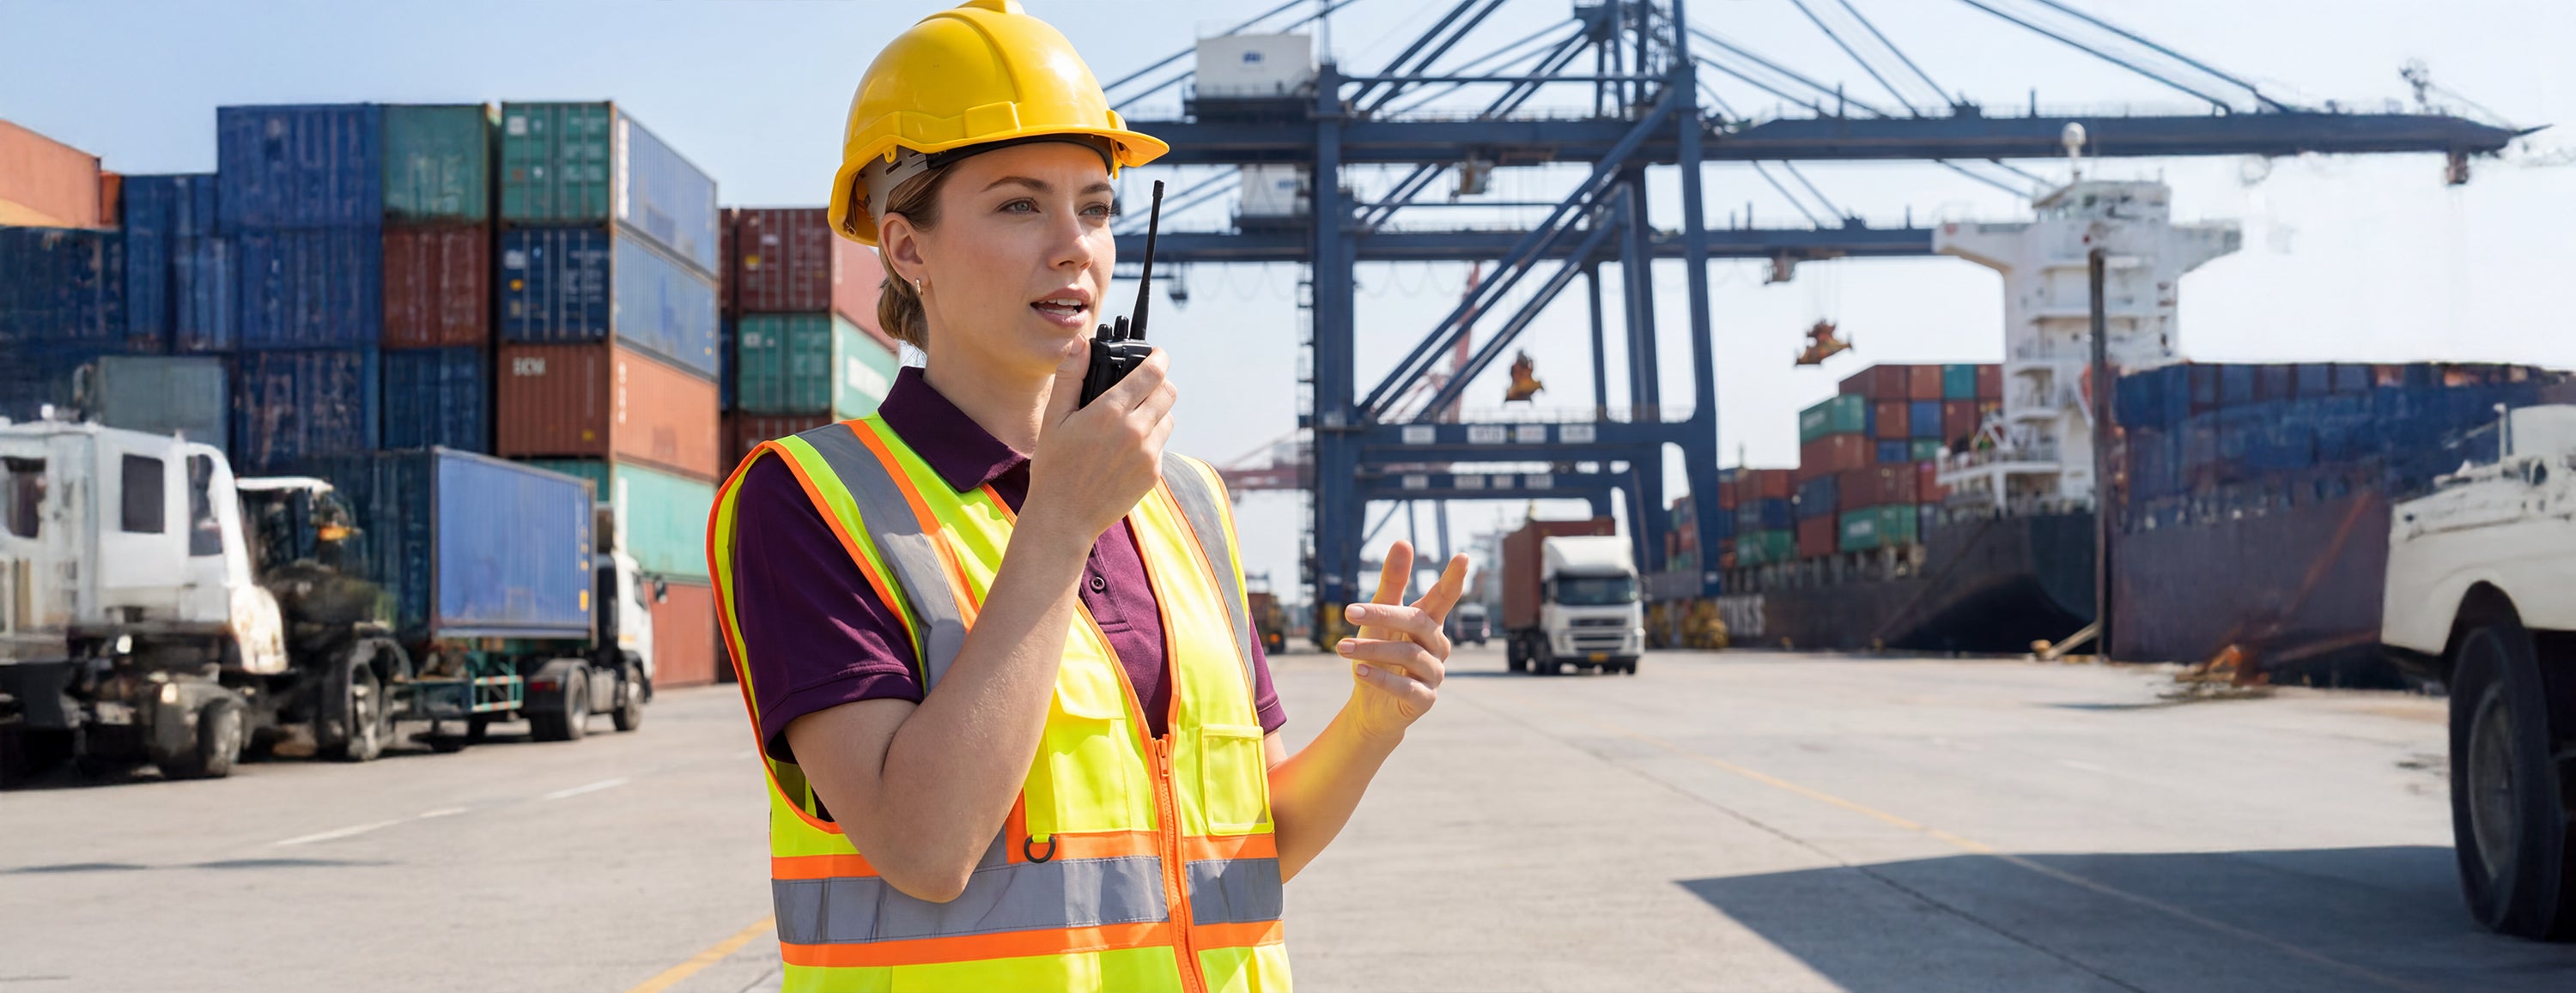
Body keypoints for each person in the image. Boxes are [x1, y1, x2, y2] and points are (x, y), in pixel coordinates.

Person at [703, 3, 1468, 990]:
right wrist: (1059, 521)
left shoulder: (1187, 503)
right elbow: (924, 846)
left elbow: (1252, 848)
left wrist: (1370, 723)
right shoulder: (812, 502)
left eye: (1097, 208)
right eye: (1020, 206)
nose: (1076, 247)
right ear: (906, 248)